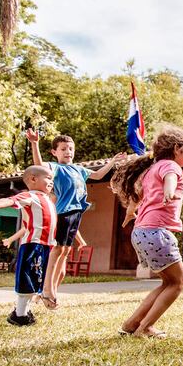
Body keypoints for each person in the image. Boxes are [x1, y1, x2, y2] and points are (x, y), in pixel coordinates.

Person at [26, 129, 125, 309]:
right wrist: (35, 144)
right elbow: (39, 166)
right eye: (63, 149)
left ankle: (51, 290)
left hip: (76, 214)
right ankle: (46, 290)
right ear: (54, 152)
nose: (68, 152)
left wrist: (112, 162)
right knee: (57, 251)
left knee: (64, 252)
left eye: (70, 148)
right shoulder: (56, 168)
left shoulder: (79, 169)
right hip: (63, 213)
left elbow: (97, 175)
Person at [110, 125, 183, 338]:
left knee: (168, 282)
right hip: (156, 233)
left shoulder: (151, 170)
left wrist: (130, 213)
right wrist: (169, 191)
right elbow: (170, 180)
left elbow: (138, 197)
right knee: (178, 282)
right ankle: (144, 327)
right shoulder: (171, 167)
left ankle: (131, 324)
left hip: (141, 232)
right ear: (176, 149)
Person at [0, 166, 57, 326]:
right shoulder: (30, 196)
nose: (52, 182)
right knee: (27, 278)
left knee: (36, 278)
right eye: (48, 178)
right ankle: (19, 315)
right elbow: (10, 200)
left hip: (45, 246)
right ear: (33, 179)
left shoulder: (47, 199)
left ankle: (24, 310)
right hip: (33, 245)